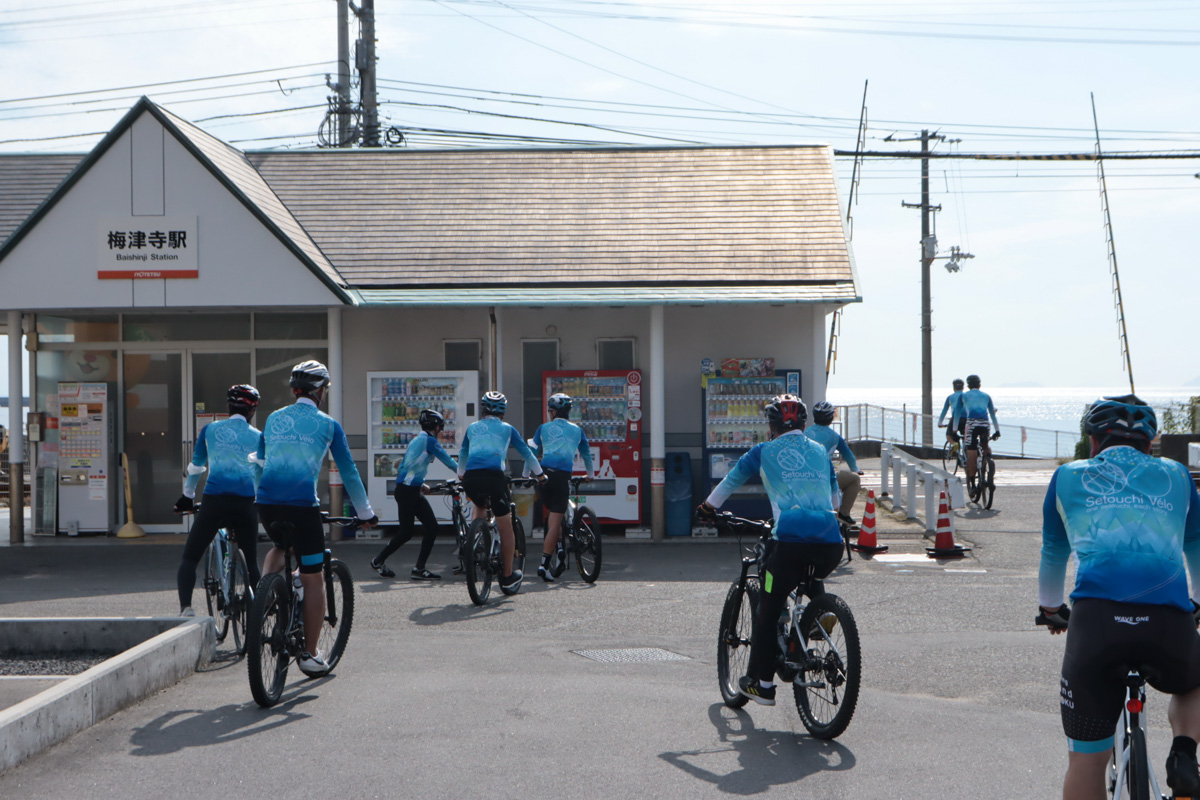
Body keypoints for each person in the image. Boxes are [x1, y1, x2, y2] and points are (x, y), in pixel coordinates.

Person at [1039, 395, 1200, 800]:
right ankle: (1184, 753)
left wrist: (1051, 608)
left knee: (1086, 761)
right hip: (1170, 624)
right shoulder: (1178, 476)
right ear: (1151, 443)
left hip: (1096, 623)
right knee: (1195, 682)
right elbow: (1196, 546)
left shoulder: (1067, 476)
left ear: (1093, 442)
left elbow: (1054, 552)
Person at [696, 394, 843, 706]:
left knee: (768, 606)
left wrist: (707, 509)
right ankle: (820, 613)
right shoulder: (820, 451)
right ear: (803, 423)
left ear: (772, 425)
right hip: (831, 543)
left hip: (788, 542)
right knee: (809, 568)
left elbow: (729, 483)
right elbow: (836, 503)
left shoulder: (763, 451)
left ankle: (762, 684)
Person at [255, 360, 377, 676]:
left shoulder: (273, 418)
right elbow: (348, 470)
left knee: (280, 546)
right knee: (314, 577)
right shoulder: (328, 424)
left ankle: (264, 599)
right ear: (321, 391)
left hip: (267, 503)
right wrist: (365, 513)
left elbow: (261, 462)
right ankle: (309, 655)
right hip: (301, 507)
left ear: (296, 390)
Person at [172, 385, 264, 617]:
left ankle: (186, 610)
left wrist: (187, 497)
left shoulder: (210, 429)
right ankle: (258, 613)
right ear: (252, 411)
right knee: (251, 562)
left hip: (215, 502)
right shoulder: (259, 437)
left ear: (227, 407)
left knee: (190, 557)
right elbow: (261, 473)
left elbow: (196, 467)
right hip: (245, 504)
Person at [456, 391, 545, 590]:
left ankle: (475, 543)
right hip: (494, 478)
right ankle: (507, 575)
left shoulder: (472, 427)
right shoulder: (508, 428)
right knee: (506, 528)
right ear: (503, 411)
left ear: (483, 409)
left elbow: (463, 453)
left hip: (471, 477)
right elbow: (527, 453)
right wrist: (540, 475)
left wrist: (460, 474)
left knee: (479, 503)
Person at [369, 409, 458, 581]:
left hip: (409, 489)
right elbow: (449, 461)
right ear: (436, 426)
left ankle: (419, 568)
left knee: (431, 527)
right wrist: (465, 474)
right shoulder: (430, 441)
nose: (441, 430)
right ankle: (377, 561)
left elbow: (405, 466)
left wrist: (420, 484)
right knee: (406, 533)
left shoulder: (418, 439)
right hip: (408, 491)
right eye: (440, 426)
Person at [531, 392, 594, 582]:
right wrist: (590, 475)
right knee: (556, 521)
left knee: (553, 517)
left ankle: (559, 549)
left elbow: (531, 453)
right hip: (561, 477)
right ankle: (544, 564)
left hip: (542, 476)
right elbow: (587, 454)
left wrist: (527, 475)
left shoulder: (543, 428)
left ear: (553, 412)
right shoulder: (577, 431)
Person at [806, 401, 863, 527]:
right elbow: (848, 455)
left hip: (804, 478)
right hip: (825, 477)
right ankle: (844, 513)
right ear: (831, 418)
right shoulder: (835, 436)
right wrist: (856, 469)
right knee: (854, 479)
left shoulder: (805, 433)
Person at [951, 374, 1000, 485]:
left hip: (971, 424)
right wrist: (997, 430)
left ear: (968, 386)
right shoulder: (986, 396)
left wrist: (954, 430)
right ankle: (987, 462)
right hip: (985, 424)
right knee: (985, 445)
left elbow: (957, 414)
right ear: (979, 385)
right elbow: (992, 414)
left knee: (971, 451)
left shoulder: (963, 396)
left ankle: (972, 481)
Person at [938, 378, 966, 443]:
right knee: (967, 436)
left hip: (955, 420)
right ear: (963, 387)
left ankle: (954, 444)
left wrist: (940, 423)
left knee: (949, 435)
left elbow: (944, 411)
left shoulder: (950, 397)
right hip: (967, 419)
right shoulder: (967, 396)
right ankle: (966, 450)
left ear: (953, 388)